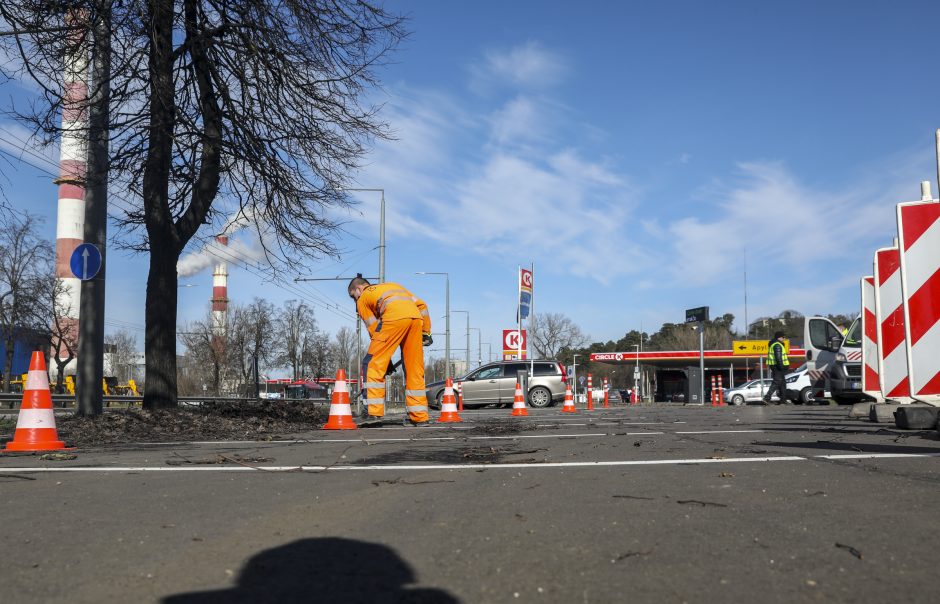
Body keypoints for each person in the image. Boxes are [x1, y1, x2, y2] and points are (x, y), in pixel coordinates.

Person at [348, 276, 432, 426]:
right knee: (413, 367)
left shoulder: (363, 298)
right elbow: (422, 305)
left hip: (393, 317)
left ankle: (372, 413)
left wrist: (384, 360)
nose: (354, 300)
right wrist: (426, 332)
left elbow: (374, 330)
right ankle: (419, 417)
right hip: (415, 320)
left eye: (352, 295)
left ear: (359, 289)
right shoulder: (394, 286)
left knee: (372, 364)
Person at [762, 331, 791, 405]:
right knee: (777, 381)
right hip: (777, 367)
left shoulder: (776, 344)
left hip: (775, 366)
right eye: (783, 337)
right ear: (779, 337)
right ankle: (767, 398)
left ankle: (783, 400)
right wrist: (781, 367)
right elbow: (778, 358)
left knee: (782, 383)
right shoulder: (777, 345)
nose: (784, 338)